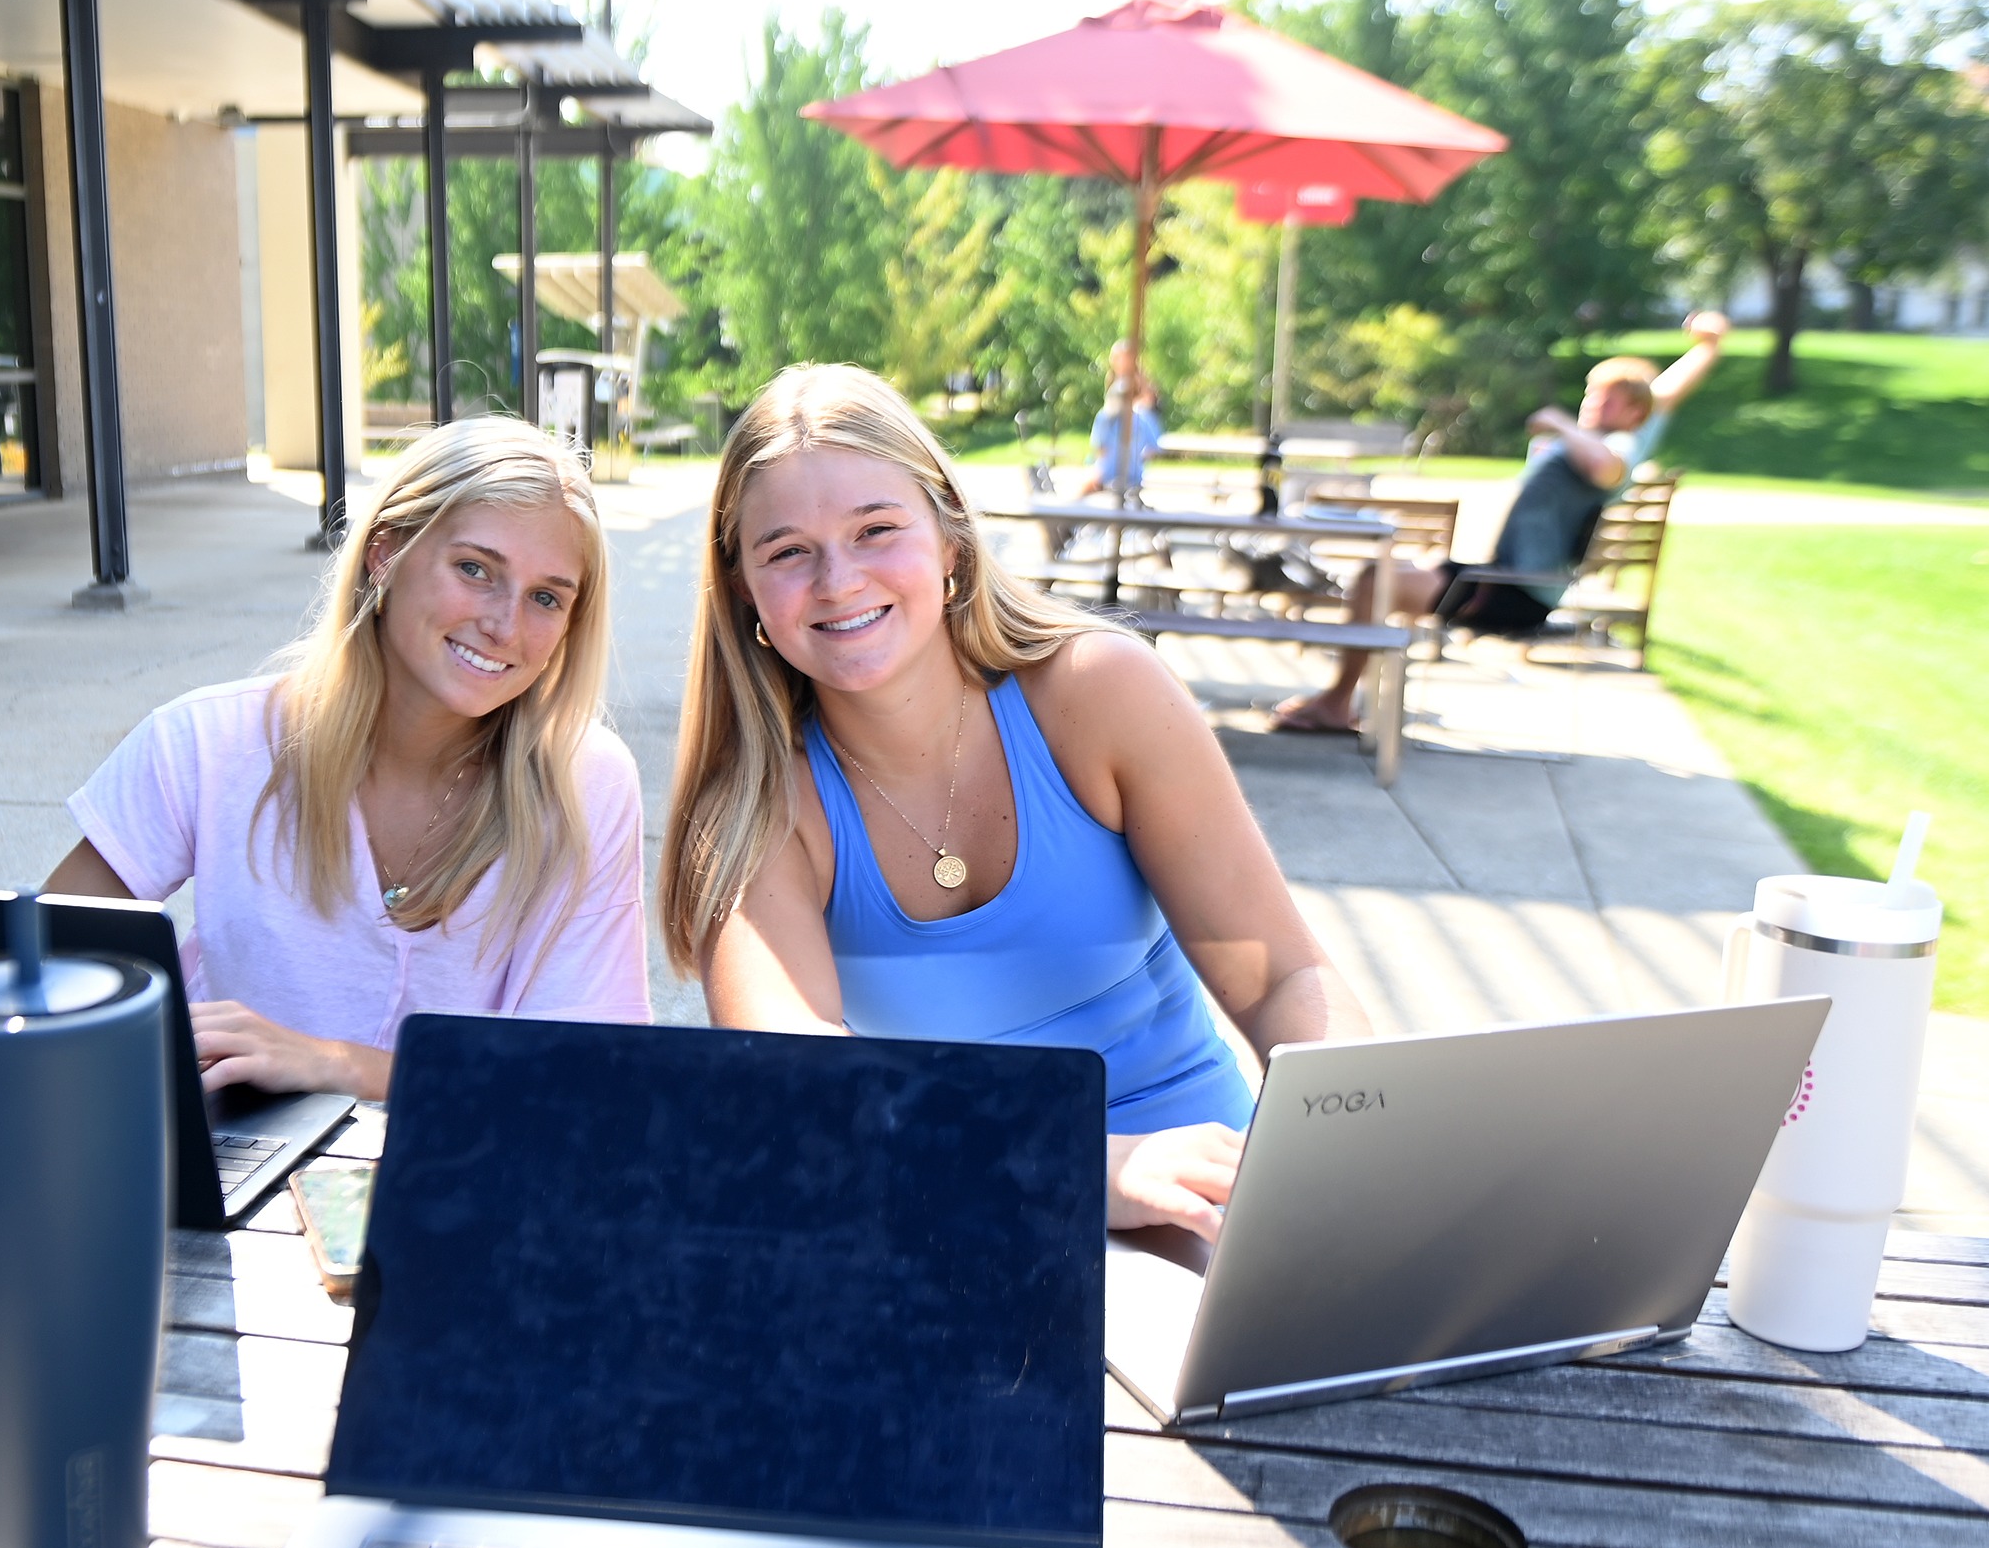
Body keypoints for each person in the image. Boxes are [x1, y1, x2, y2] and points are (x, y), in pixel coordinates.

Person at [660, 364, 1369, 1236]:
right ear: (745, 591)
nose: (837, 580)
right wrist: (1085, 1166)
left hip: (1197, 1179)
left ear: (950, 540)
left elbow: (1279, 976)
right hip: (946, 1198)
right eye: (787, 552)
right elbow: (808, 1100)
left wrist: (1353, 1126)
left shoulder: (1097, 695)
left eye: (875, 529)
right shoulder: (757, 808)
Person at [46, 417, 651, 1099]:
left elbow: (590, 1078)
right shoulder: (206, 744)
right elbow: (37, 967)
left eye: (546, 597)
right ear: (385, 555)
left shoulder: (585, 783)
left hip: (457, 1180)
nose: (505, 624)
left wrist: (340, 1066)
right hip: (234, 1170)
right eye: (474, 569)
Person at [1273, 312, 1729, 733]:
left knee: (1376, 581)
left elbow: (1609, 466)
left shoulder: (1618, 446)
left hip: (1515, 593)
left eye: (1610, 400)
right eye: (1594, 394)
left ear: (1634, 413)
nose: (1596, 404)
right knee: (1390, 571)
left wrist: (1559, 424)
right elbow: (1661, 395)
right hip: (1499, 579)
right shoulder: (1604, 436)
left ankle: (1337, 703)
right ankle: (1353, 699)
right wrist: (1708, 346)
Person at [1084, 340, 1162, 498]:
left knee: (1089, 482)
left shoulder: (1139, 383)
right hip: (1128, 463)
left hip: (1121, 467)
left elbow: (1100, 447)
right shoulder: (1113, 380)